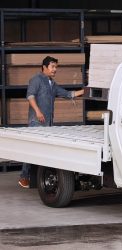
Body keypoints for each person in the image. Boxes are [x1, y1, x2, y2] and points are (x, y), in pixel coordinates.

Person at [18, 56, 84, 188]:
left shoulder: (52, 84)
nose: (55, 70)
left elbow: (68, 94)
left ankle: (37, 179)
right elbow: (30, 96)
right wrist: (37, 111)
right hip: (36, 122)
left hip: (48, 123)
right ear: (44, 67)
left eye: (56, 67)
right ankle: (24, 177)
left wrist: (85, 91)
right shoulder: (36, 80)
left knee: (42, 151)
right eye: (53, 67)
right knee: (31, 149)